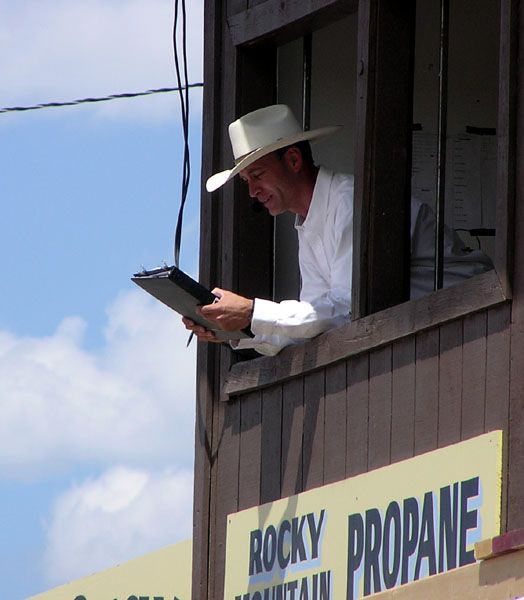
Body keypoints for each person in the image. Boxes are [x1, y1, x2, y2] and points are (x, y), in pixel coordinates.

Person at [183, 104, 492, 356]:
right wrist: (236, 329)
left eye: (258, 175)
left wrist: (252, 313)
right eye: (246, 181)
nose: (252, 191)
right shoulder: (311, 218)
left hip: (477, 325)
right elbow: (315, 324)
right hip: (441, 336)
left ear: (292, 160)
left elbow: (345, 311)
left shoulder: (349, 203)